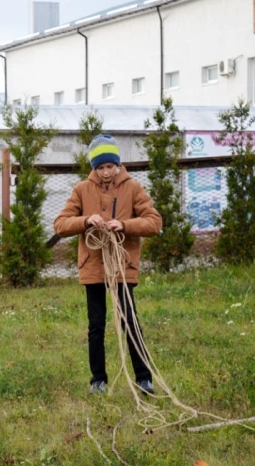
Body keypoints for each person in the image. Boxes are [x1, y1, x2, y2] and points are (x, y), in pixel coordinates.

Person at [53, 134, 162, 395]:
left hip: (122, 266)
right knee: (96, 324)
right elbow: (60, 224)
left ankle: (144, 378)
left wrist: (124, 225)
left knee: (130, 322)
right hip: (93, 266)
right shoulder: (81, 190)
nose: (105, 172)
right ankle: (98, 380)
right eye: (100, 167)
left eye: (109, 166)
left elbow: (154, 222)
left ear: (118, 164)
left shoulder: (133, 188)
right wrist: (85, 221)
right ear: (94, 168)